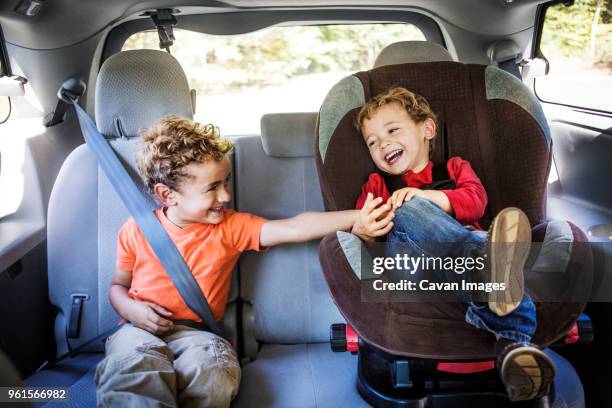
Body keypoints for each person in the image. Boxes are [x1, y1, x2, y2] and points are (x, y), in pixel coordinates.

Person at [95, 117, 359, 408]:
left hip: (197, 333)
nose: (226, 195)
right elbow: (118, 285)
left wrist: (357, 217)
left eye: (226, 181)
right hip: (137, 330)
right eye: (212, 188)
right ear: (167, 195)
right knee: (131, 369)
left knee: (213, 370)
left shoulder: (229, 227)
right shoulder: (136, 230)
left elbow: (294, 228)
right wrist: (130, 308)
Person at [350, 87, 555, 401]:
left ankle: (515, 347)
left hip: (464, 260)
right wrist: (363, 229)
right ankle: (487, 269)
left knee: (485, 243)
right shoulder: (379, 185)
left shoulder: (455, 168)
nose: (383, 144)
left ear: (427, 129)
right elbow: (367, 239)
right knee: (413, 211)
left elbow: (477, 202)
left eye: (392, 130)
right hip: (412, 266)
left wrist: (433, 196)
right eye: (372, 142)